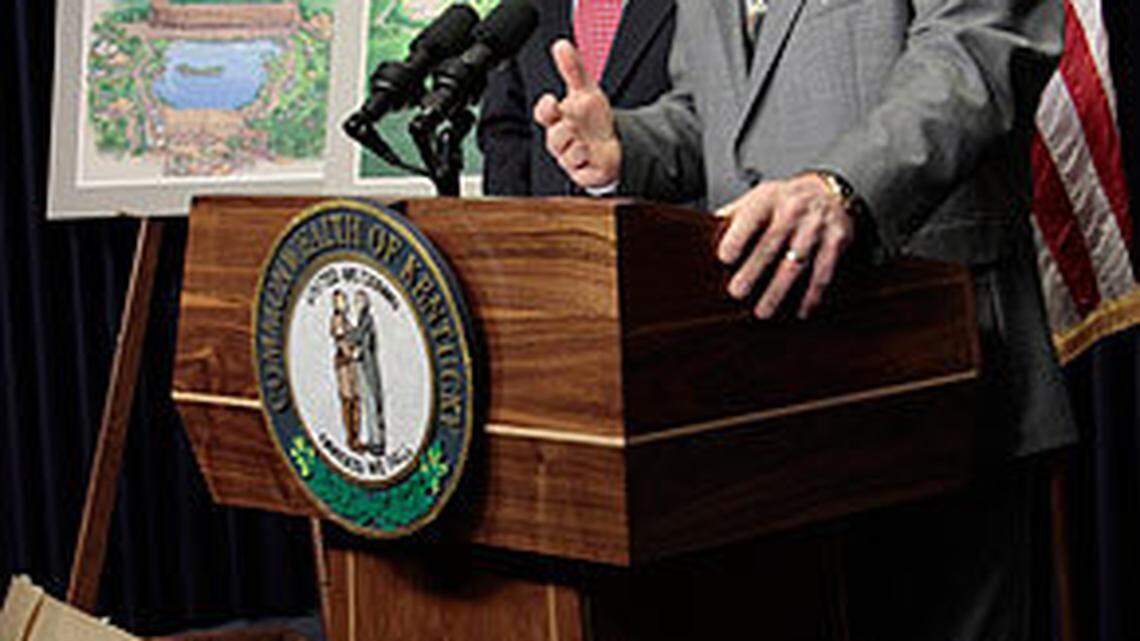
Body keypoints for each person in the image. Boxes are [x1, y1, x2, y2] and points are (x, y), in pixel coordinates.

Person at [531, 1, 1078, 639]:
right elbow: (711, 115)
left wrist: (842, 187)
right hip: (767, 401)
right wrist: (626, 143)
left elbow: (976, 49)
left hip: (936, 362)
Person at [478, 0, 676, 196]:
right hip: (549, 221)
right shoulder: (524, 9)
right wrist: (514, 222)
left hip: (669, 218)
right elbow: (505, 130)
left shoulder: (698, 11)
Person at [351, 291, 386, 457]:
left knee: (372, 402)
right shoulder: (360, 320)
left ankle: (377, 442)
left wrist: (359, 351)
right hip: (362, 366)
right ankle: (373, 440)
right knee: (367, 402)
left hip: (368, 366)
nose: (355, 304)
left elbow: (365, 341)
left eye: (358, 301)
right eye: (355, 301)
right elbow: (355, 335)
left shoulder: (366, 320)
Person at [330, 289, 361, 450]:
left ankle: (356, 436)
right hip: (344, 365)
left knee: (356, 399)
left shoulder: (346, 320)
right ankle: (351, 438)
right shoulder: (337, 320)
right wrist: (352, 353)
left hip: (351, 365)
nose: (344, 303)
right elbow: (340, 340)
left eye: (345, 300)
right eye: (341, 301)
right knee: (348, 400)